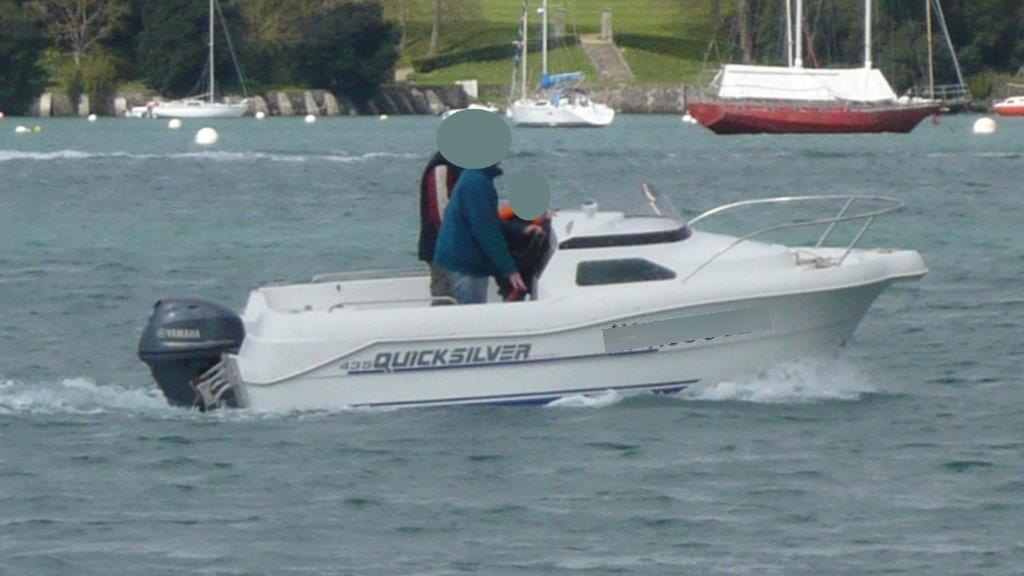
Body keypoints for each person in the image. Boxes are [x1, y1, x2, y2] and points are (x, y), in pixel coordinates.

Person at [434, 164, 529, 304]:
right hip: (466, 265)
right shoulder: (477, 182)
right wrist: (509, 269)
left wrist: (520, 230)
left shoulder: (474, 175)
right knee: (472, 317)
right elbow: (486, 231)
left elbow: (488, 219)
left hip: (457, 258)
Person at [418, 151, 464, 300]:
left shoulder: (454, 164)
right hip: (441, 247)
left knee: (450, 295)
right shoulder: (442, 165)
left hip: (447, 245)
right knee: (445, 297)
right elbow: (440, 211)